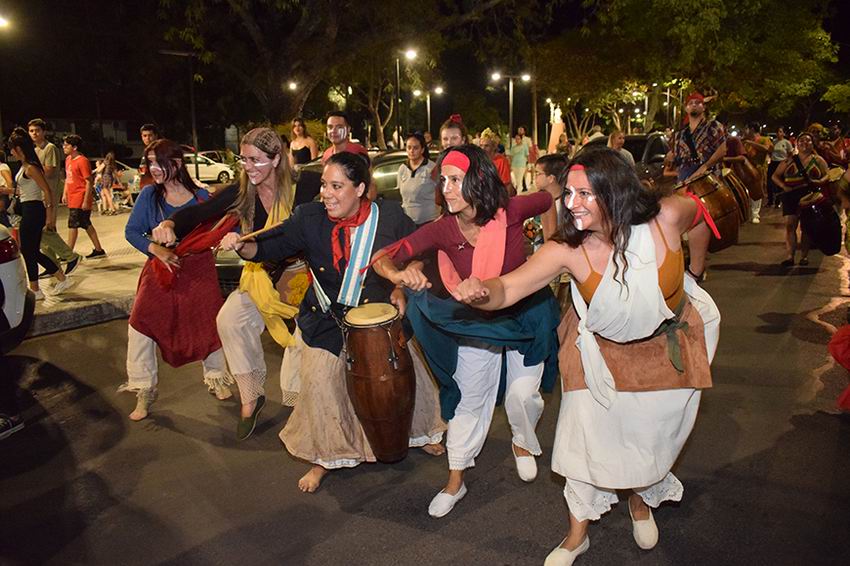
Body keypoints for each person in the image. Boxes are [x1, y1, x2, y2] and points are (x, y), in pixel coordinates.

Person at [451, 146, 719, 565]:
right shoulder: (566, 250)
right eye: (568, 194)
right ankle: (578, 535)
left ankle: (640, 502)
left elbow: (700, 213)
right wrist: (483, 293)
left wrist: (694, 270)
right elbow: (510, 287)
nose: (570, 204)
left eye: (583, 194)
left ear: (614, 192)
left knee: (646, 441)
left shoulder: (666, 218)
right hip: (598, 355)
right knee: (583, 445)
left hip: (663, 355)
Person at [217, 151, 445, 491]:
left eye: (337, 186)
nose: (326, 193)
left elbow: (420, 253)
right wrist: (241, 247)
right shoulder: (309, 218)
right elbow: (266, 248)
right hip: (325, 318)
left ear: (361, 189)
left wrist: (404, 281)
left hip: (377, 316)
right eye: (325, 185)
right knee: (320, 384)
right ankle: (326, 456)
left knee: (403, 377)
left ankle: (419, 432)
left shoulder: (391, 216)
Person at [372, 144, 560, 518]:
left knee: (523, 394)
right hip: (475, 320)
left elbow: (549, 198)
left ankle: (522, 442)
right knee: (469, 399)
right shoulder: (443, 228)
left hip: (525, 314)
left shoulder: (512, 210)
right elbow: (384, 255)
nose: (446, 189)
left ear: (477, 179)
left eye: (455, 179)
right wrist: (398, 273)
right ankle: (456, 480)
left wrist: (549, 251)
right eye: (443, 180)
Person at [152, 127, 303, 438]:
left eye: (255, 160)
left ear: (276, 159)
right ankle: (251, 395)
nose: (247, 167)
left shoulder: (305, 186)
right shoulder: (241, 191)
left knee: (303, 347)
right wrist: (170, 223)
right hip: (259, 277)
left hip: (303, 281)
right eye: (243, 159)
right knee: (230, 320)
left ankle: (309, 409)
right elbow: (198, 212)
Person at [121, 139, 233, 421]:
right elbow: (132, 232)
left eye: (159, 162)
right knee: (141, 324)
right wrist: (156, 249)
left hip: (198, 269)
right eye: (150, 162)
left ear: (177, 163)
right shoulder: (149, 196)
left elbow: (223, 226)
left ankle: (217, 378)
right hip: (159, 270)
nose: (154, 169)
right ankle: (144, 389)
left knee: (209, 323)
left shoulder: (202, 199)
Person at [7, 128, 73, 300]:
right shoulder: (24, 167)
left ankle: (39, 287)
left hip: (34, 210)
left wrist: (49, 216)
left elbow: (47, 191)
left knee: (29, 250)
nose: (11, 152)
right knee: (30, 250)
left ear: (19, 149)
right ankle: (51, 281)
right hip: (28, 209)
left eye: (12, 149)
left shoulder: (30, 167)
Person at [27, 119, 81, 275]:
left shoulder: (49, 148)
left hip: (48, 193)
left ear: (43, 132)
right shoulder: (34, 149)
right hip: (38, 194)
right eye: (31, 131)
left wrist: (31, 170)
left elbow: (49, 170)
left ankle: (68, 257)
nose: (34, 134)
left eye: (37, 130)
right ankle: (53, 265)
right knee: (44, 231)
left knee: (45, 230)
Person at [771, 132, 829, 267]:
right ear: (797, 143)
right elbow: (775, 176)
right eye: (801, 140)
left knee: (806, 226)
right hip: (791, 195)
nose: (805, 143)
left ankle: (804, 256)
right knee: (790, 225)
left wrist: (819, 181)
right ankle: (790, 256)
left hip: (809, 195)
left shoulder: (818, 160)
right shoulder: (790, 160)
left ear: (812, 143)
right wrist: (784, 186)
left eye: (808, 141)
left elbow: (828, 175)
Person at [62, 135, 106, 258]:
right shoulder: (68, 160)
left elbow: (88, 181)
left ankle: (68, 253)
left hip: (80, 196)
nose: (64, 147)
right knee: (85, 223)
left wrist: (86, 200)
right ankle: (99, 249)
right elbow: (68, 178)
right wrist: (65, 192)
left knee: (73, 224)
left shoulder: (82, 161)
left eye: (67, 145)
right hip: (72, 196)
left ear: (75, 147)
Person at [670, 92, 727, 183]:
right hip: (685, 181)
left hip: (709, 180)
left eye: (697, 102)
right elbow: (676, 159)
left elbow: (722, 151)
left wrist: (705, 167)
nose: (694, 105)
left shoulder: (713, 126)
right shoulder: (680, 134)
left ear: (704, 107)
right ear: (686, 109)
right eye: (690, 103)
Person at [398, 132, 438, 225]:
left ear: (422, 149)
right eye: (409, 147)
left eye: (415, 148)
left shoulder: (432, 168)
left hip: (428, 222)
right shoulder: (402, 168)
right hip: (408, 223)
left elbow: (440, 195)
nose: (411, 151)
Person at [741, 122, 772, 223]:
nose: (745, 131)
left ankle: (755, 214)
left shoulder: (764, 139)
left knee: (756, 190)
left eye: (746, 129)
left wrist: (750, 142)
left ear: (752, 129)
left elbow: (766, 149)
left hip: (758, 168)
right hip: (745, 169)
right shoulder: (744, 141)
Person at [534, 153, 569, 240]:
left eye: (537, 173)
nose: (534, 177)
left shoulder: (566, 205)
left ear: (551, 178)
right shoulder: (538, 198)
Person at [479, 128, 514, 195]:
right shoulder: (478, 160)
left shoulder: (501, 161)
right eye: (481, 145)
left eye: (486, 146)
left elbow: (507, 185)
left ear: (494, 147)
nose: (482, 148)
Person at [768, 127, 794, 207]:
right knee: (769, 182)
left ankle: (778, 201)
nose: (778, 133)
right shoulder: (774, 142)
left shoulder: (786, 142)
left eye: (780, 132)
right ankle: (770, 201)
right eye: (777, 132)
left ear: (783, 133)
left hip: (782, 163)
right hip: (773, 162)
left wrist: (787, 162)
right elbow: (770, 152)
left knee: (780, 181)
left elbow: (790, 154)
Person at [138, 124, 160, 190]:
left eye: (150, 135)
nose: (147, 138)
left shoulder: (159, 150)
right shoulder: (146, 150)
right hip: (146, 186)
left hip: (155, 186)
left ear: (156, 136)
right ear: (141, 137)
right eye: (145, 136)